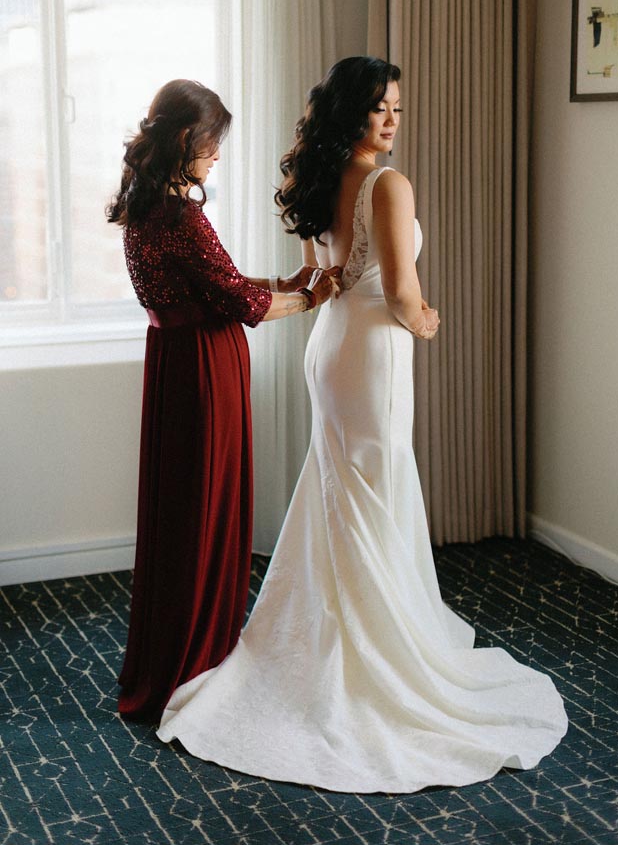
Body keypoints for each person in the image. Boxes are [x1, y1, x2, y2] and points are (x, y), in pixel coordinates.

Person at [156, 59, 568, 792]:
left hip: (333, 347)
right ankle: (376, 654)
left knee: (344, 489)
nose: (392, 120)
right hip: (373, 353)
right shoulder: (388, 184)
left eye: (397, 108)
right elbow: (405, 296)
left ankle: (336, 639)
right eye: (380, 108)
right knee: (370, 492)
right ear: (352, 112)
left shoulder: (318, 180)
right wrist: (429, 323)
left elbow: (324, 275)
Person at [107, 78, 338, 721]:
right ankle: (198, 657)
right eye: (212, 144)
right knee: (206, 504)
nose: (217, 156)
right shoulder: (181, 215)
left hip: (176, 363)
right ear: (186, 140)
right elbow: (245, 305)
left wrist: (280, 281)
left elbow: (219, 284)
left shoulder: (147, 204)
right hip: (207, 371)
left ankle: (176, 649)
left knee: (182, 506)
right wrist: (314, 296)